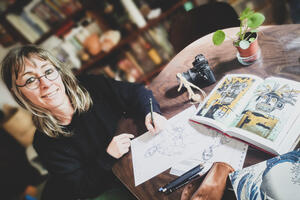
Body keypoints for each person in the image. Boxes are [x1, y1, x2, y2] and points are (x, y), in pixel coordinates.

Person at [1, 45, 167, 200]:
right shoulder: (44, 142)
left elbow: (135, 92)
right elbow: (82, 188)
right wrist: (108, 157)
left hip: (149, 155)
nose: (45, 83)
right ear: (18, 93)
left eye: (48, 71)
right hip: (121, 186)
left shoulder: (91, 85)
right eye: (30, 80)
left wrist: (151, 113)